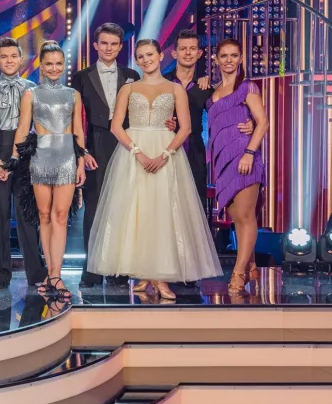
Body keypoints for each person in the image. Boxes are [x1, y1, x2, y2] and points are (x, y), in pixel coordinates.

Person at [86, 39, 222, 300]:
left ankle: (160, 277)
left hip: (166, 152)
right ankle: (144, 273)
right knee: (138, 212)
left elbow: (186, 128)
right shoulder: (128, 88)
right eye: (140, 56)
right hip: (133, 152)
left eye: (150, 54)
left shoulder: (175, 89)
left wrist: (165, 154)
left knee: (163, 213)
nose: (146, 60)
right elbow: (116, 126)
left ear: (161, 56)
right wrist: (136, 152)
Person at [12, 41, 86, 299]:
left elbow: (78, 130)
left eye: (58, 63)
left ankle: (56, 274)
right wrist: (14, 160)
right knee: (44, 215)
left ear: (63, 65)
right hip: (40, 158)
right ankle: (50, 274)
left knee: (61, 216)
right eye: (49, 64)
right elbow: (23, 129)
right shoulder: (30, 94)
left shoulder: (73, 95)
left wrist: (81, 162)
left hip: (66, 157)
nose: (54, 68)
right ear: (41, 66)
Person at [70, 22, 140, 287]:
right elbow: (75, 118)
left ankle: (118, 270)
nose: (109, 48)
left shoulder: (132, 75)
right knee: (94, 208)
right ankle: (92, 270)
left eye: (114, 44)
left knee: (121, 207)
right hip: (94, 144)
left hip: (124, 141)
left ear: (121, 47)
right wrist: (83, 151)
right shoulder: (81, 76)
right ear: (95, 45)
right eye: (104, 43)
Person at [164, 29, 254, 214]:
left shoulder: (205, 88)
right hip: (163, 149)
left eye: (192, 49)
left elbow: (225, 114)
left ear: (199, 53)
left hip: (194, 152)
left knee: (193, 206)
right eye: (183, 49)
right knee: (163, 204)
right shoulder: (162, 83)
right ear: (174, 53)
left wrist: (250, 121)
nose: (187, 53)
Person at [205, 38, 269, 295]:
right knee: (236, 219)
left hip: (245, 157)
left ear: (241, 59)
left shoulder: (247, 87)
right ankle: (250, 265)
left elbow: (262, 122)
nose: (229, 60)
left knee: (245, 216)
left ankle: (238, 273)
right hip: (223, 161)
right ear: (216, 59)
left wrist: (249, 153)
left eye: (234, 55)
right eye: (224, 56)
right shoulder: (212, 91)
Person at [0, 38, 47, 290]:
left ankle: (36, 273)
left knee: (27, 215)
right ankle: (1, 275)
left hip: (26, 152)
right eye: (4, 56)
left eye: (13, 56)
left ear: (21, 59)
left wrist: (28, 156)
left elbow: (39, 126)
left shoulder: (32, 88)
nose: (9, 61)